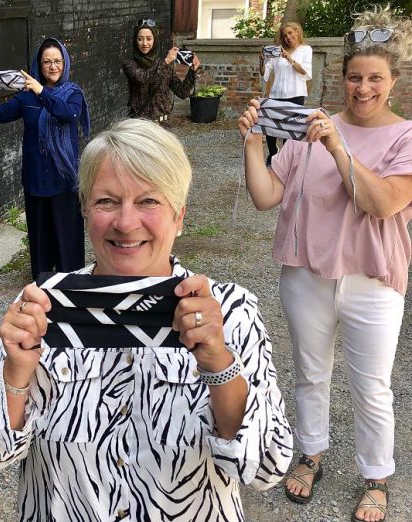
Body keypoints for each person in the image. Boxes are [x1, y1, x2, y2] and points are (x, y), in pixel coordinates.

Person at [0, 118, 293, 520]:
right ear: (85, 210)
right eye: (106, 201)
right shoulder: (43, 308)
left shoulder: (230, 311)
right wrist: (16, 372)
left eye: (149, 201)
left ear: (180, 216)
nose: (125, 222)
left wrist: (219, 364)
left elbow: (266, 467)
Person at [239, 7, 412, 522]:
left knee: (372, 384)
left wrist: (339, 148)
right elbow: (266, 196)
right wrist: (251, 143)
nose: (363, 88)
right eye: (354, 76)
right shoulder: (310, 128)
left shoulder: (404, 137)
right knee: (310, 375)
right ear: (341, 78)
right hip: (307, 276)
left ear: (393, 81)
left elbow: (381, 203)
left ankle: (376, 474)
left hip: (373, 282)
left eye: (374, 78)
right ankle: (310, 452)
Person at [0, 38, 90, 281]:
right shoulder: (25, 96)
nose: (52, 67)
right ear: (38, 65)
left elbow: (69, 114)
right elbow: (0, 115)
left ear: (65, 62)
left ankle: (70, 276)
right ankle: (42, 277)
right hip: (37, 175)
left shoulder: (72, 93)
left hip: (64, 176)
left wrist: (41, 92)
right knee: (40, 231)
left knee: (66, 230)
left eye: (57, 61)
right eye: (47, 62)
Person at [122, 18, 201, 125]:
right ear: (136, 41)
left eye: (149, 39)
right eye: (140, 39)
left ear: (154, 40)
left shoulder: (164, 65)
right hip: (139, 126)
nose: (144, 43)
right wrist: (166, 61)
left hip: (162, 125)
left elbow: (182, 92)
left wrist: (192, 71)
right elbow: (143, 79)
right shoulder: (130, 64)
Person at [259, 21, 312, 166]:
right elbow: (265, 72)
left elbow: (305, 71)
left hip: (295, 94)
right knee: (270, 126)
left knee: (289, 127)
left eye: (290, 33)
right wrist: (262, 61)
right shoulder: (277, 51)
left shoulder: (305, 49)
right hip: (276, 94)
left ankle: (285, 157)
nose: (288, 37)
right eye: (285, 35)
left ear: (297, 32)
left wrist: (289, 58)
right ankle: (272, 153)